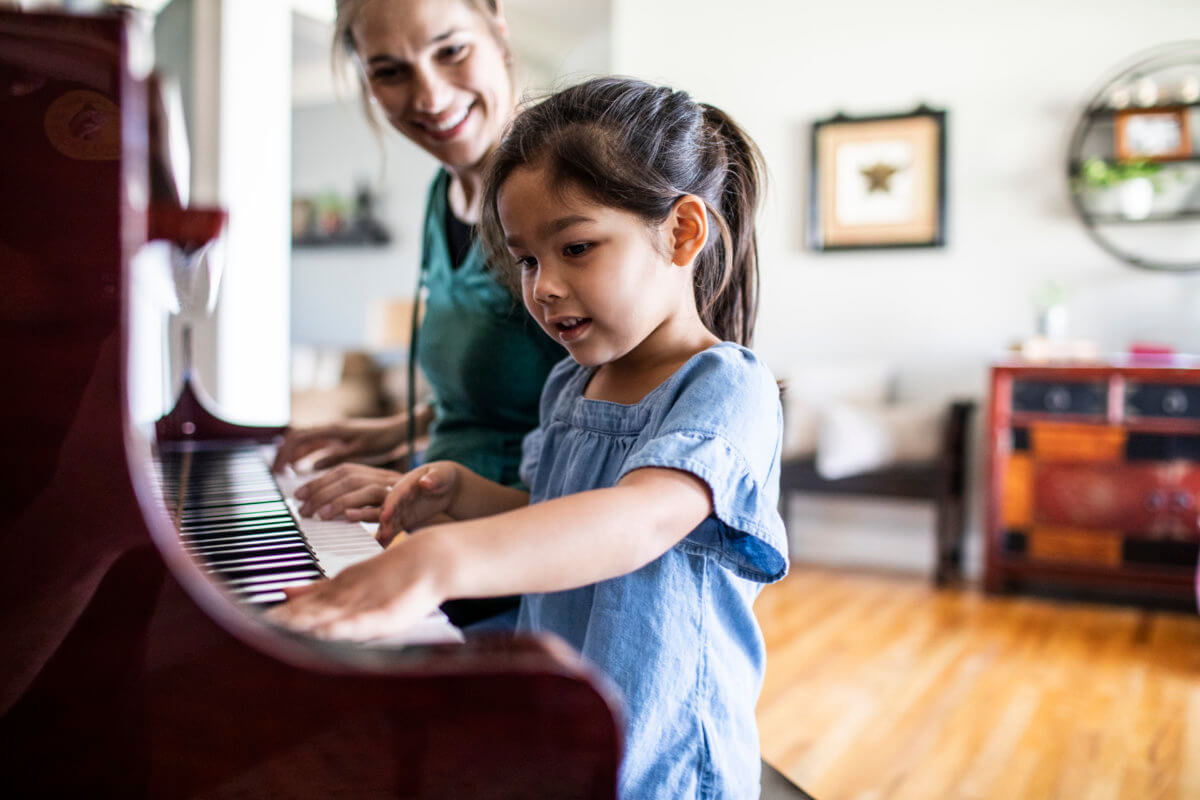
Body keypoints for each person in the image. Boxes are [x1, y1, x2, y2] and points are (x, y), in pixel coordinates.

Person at [269, 77, 789, 798]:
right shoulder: (570, 385)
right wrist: (462, 495)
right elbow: (553, 510)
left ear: (683, 232)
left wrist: (441, 560)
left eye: (575, 247)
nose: (542, 286)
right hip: (567, 736)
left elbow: (634, 522)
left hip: (666, 765)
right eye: (527, 260)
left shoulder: (726, 388)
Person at [272, 0, 564, 526]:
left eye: (451, 50)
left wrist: (423, 488)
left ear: (498, 29)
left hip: (522, 565)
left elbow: (612, 441)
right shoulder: (442, 195)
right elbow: (512, 393)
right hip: (444, 548)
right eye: (389, 72)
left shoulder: (559, 198)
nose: (429, 96)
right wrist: (395, 429)